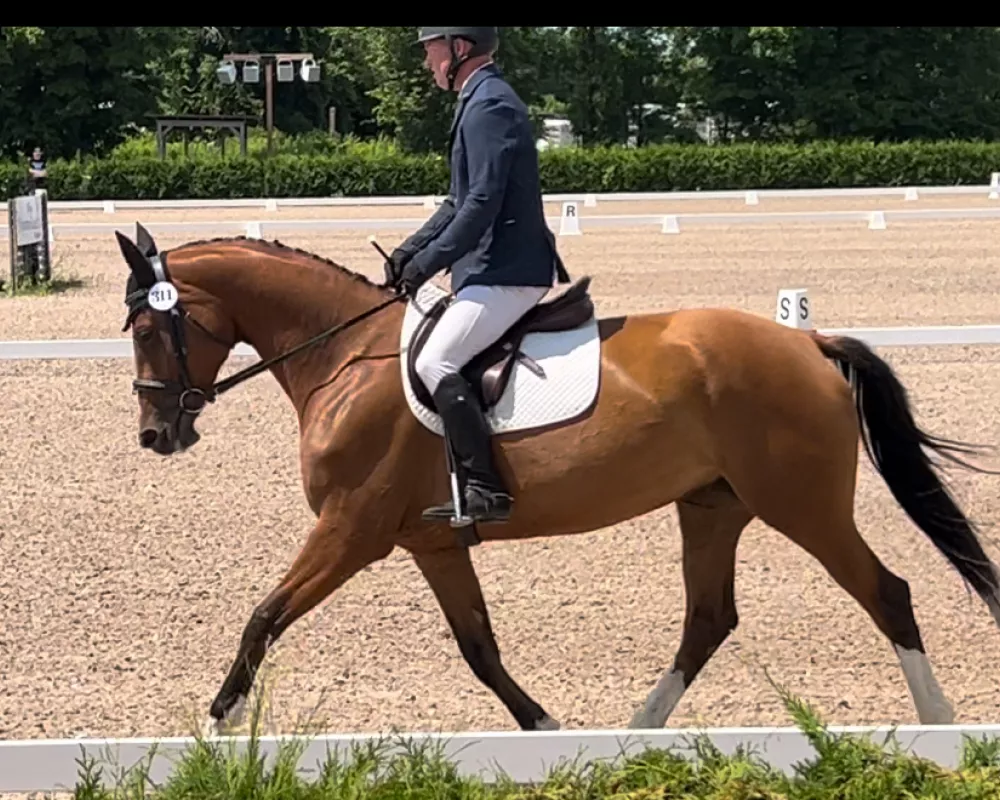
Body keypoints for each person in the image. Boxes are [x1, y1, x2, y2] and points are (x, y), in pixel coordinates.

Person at [386, 26, 569, 525]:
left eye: (431, 50)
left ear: (459, 48)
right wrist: (411, 251)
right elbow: (456, 202)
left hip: (507, 270)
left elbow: (482, 204)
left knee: (436, 363)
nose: (426, 62)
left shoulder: (490, 105)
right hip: (486, 267)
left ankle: (487, 489)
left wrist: (429, 263)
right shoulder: (478, 99)